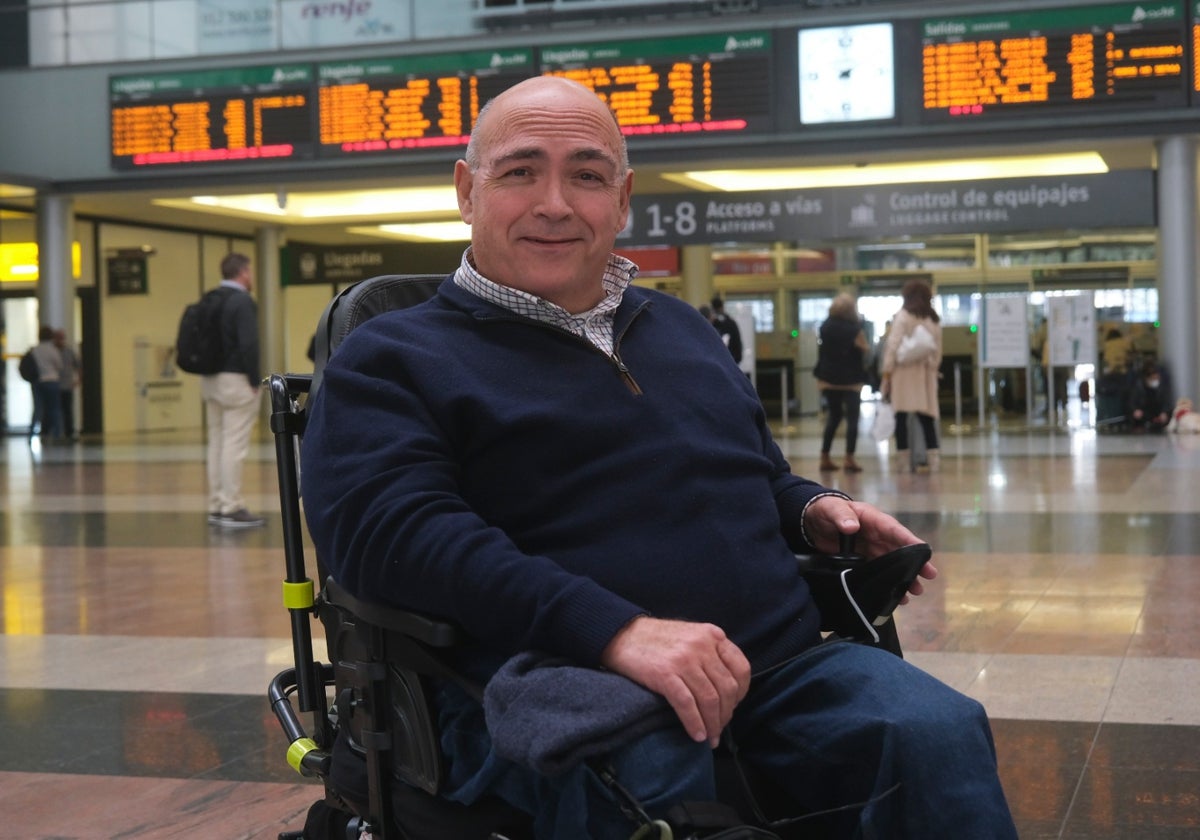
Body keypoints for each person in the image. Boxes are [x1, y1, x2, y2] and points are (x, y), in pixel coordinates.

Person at [301, 76, 1016, 839]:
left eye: (586, 174)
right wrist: (615, 630)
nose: (554, 202)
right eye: (519, 171)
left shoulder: (676, 327)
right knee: (660, 796)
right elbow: (388, 535)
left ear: (624, 197)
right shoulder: (393, 356)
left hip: (772, 663)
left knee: (937, 730)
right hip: (556, 675)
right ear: (466, 191)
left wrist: (808, 508)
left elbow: (753, 469)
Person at [202, 252, 264, 528]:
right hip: (236, 378)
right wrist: (254, 379)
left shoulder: (210, 299)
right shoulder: (242, 302)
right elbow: (249, 344)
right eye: (249, 271)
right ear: (242, 273)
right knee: (234, 444)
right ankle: (232, 506)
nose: (251, 276)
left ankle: (217, 503)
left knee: (217, 442)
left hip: (210, 378)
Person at [881, 280, 943, 473]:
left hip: (903, 376)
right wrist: (932, 367)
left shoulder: (903, 316)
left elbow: (893, 345)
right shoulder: (933, 319)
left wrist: (887, 371)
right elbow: (937, 352)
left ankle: (904, 463)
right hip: (925, 376)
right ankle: (933, 462)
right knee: (927, 419)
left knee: (901, 419)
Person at [814, 293, 868, 472]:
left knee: (834, 417)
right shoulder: (854, 329)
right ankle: (849, 458)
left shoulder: (825, 326)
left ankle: (825, 456)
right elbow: (865, 348)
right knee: (853, 418)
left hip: (829, 378)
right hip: (851, 379)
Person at [30, 325, 64, 442]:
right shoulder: (53, 350)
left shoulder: (35, 350)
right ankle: (57, 435)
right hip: (52, 381)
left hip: (38, 381)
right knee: (54, 409)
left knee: (38, 409)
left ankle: (31, 434)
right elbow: (59, 366)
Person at [1128, 358, 1172, 433]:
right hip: (1143, 420)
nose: (1156, 381)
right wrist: (1135, 410)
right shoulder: (1139, 387)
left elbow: (1166, 402)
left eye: (1157, 378)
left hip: (1158, 420)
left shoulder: (1162, 387)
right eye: (1153, 378)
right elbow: (1132, 403)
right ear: (1146, 378)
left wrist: (1165, 412)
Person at [53, 328, 81, 440]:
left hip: (67, 385)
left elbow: (78, 365)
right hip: (55, 385)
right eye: (58, 338)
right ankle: (57, 432)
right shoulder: (52, 351)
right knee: (55, 410)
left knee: (67, 409)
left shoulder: (69, 352)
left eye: (62, 338)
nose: (60, 340)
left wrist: (78, 380)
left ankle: (69, 432)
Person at [707, 295, 743, 363]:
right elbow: (737, 343)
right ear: (722, 307)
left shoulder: (710, 324)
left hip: (714, 361)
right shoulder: (731, 323)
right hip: (730, 360)